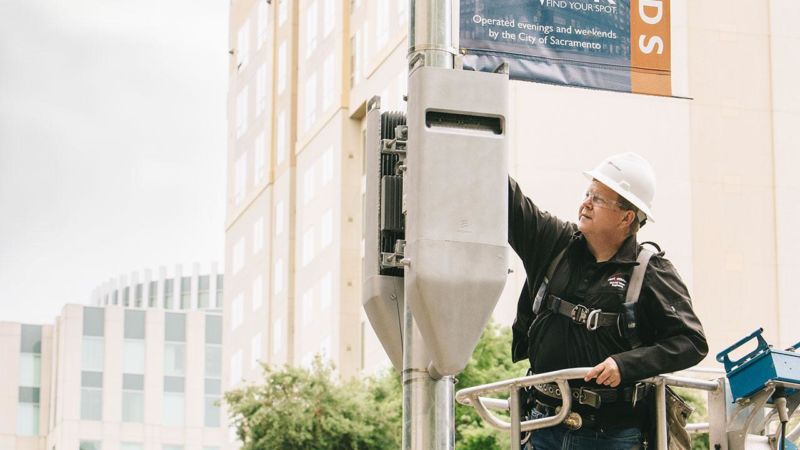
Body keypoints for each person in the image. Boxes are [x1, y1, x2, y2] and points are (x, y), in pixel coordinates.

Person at [509, 152, 708, 449]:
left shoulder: (650, 272)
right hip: (543, 424)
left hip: (610, 436)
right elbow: (510, 203)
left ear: (627, 217)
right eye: (588, 194)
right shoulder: (555, 245)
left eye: (599, 199)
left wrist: (624, 365)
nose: (586, 203)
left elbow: (691, 342)